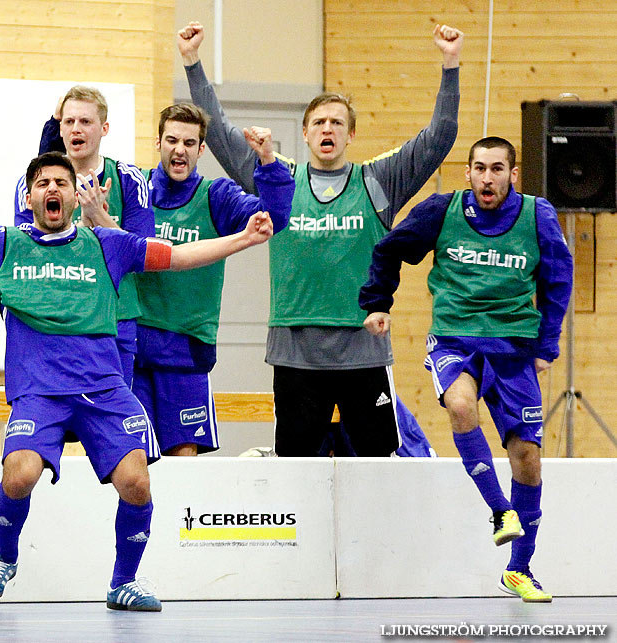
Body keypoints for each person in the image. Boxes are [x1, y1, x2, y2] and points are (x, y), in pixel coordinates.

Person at [0, 152, 275, 611]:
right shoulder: (3, 246)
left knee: (136, 483)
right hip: (40, 393)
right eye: (42, 183)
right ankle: (5, 558)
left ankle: (123, 582)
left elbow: (176, 257)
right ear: (29, 196)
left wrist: (243, 239)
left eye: (60, 182)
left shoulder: (108, 245)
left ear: (76, 196)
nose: (52, 189)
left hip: (106, 392)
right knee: (20, 474)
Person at [179, 20, 463, 457]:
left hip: (363, 351)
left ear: (350, 135)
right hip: (296, 353)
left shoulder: (379, 181)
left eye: (336, 122)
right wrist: (193, 63)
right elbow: (218, 133)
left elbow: (438, 138)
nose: (327, 130)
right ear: (307, 132)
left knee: (375, 468)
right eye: (318, 122)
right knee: (295, 469)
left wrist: (450, 65)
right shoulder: (278, 180)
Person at [359, 136, 573, 603]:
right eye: (479, 168)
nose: (487, 178)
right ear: (469, 173)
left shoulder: (538, 216)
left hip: (515, 349)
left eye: (498, 169)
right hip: (455, 340)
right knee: (459, 405)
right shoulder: (443, 210)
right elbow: (388, 248)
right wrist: (378, 302)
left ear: (513, 175)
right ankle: (500, 511)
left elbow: (559, 280)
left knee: (529, 461)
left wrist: (546, 345)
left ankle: (519, 569)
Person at [42, 103, 294, 455]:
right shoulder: (131, 186)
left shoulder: (216, 196)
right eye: (172, 140)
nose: (179, 149)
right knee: (130, 457)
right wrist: (56, 124)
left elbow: (275, 219)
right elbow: (53, 188)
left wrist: (267, 160)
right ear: (157, 143)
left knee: (182, 458)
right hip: (131, 344)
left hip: (185, 348)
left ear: (201, 149)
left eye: (189, 143)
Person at [15, 86, 154, 386]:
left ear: (104, 128)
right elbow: (26, 252)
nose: (76, 129)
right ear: (59, 128)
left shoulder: (129, 178)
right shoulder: (33, 186)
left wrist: (97, 215)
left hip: (115, 322)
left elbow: (143, 254)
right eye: (69, 122)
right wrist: (80, 225)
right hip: (56, 323)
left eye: (86, 122)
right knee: (57, 427)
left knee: (113, 426)